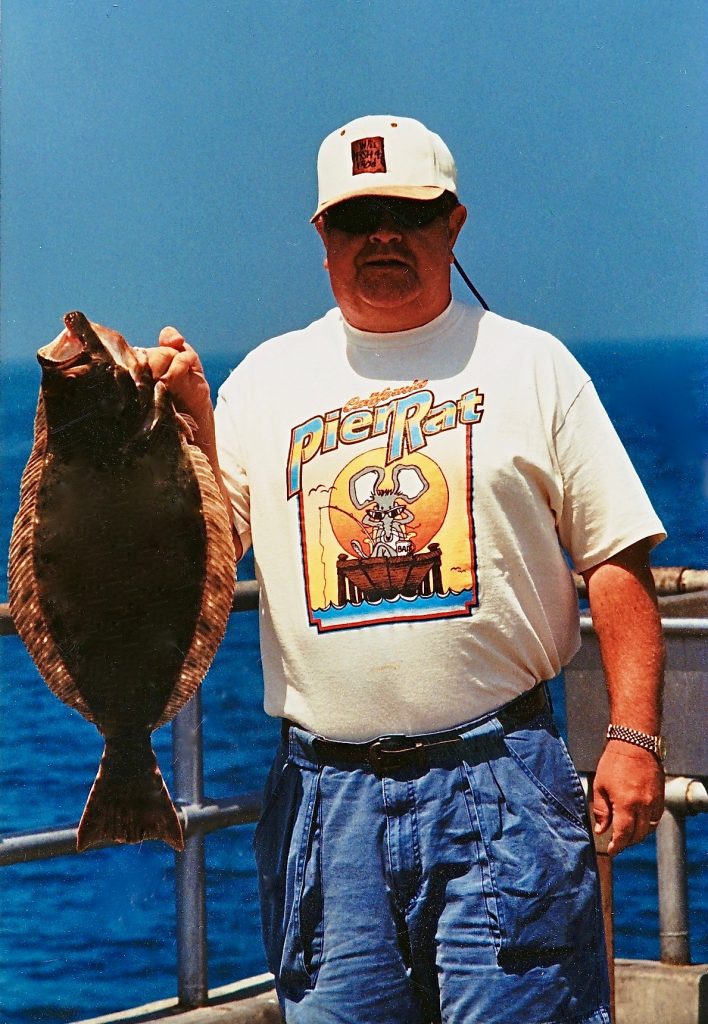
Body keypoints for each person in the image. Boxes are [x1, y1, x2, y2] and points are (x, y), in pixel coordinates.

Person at [148, 115, 666, 1024]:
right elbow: (206, 555)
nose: (381, 234)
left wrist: (634, 738)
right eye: (357, 218)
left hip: (503, 782)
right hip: (323, 803)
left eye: (406, 211)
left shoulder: (533, 365)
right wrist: (186, 421)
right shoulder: (264, 382)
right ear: (321, 238)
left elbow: (615, 559)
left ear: (452, 224)